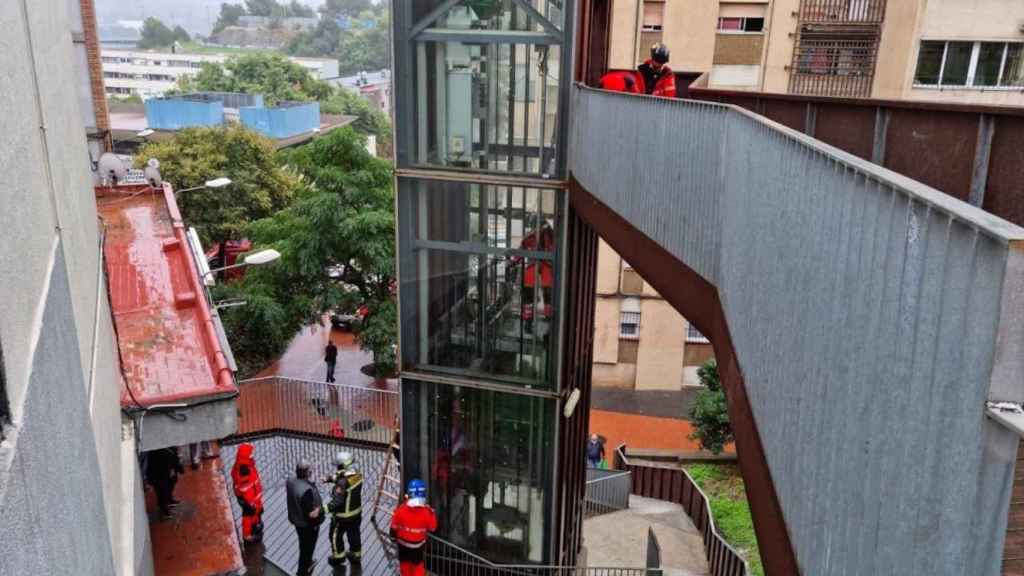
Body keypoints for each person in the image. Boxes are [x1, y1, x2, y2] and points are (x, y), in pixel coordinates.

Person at [322, 452, 363, 566]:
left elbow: (337, 502)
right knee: (354, 534)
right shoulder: (358, 475)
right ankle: (356, 555)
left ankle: (338, 557)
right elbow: (345, 478)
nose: (337, 467)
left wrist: (322, 510)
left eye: (338, 465)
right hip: (357, 512)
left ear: (343, 466)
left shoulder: (342, 482)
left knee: (335, 535)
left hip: (343, 516)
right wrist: (330, 478)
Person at [390, 480, 438, 576]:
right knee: (417, 567)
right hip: (418, 547)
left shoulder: (400, 510)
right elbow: (433, 528)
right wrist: (432, 514)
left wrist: (393, 538)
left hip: (402, 546)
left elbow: (393, 528)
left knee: (404, 566)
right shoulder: (427, 512)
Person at [287, 460, 324, 576]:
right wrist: (317, 523)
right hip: (306, 525)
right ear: (307, 473)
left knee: (303, 544)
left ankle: (306, 564)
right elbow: (311, 514)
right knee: (307, 547)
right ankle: (303, 570)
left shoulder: (291, 480)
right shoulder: (306, 491)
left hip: (296, 519)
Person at [231, 443, 264, 543]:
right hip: (249, 499)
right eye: (251, 453)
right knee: (248, 516)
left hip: (252, 497)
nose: (252, 454)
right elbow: (246, 490)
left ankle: (255, 524)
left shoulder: (246, 464)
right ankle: (247, 536)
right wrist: (251, 504)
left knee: (254, 513)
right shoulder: (244, 470)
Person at [146, 447, 184, 518]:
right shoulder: (157, 451)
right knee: (161, 490)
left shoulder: (172, 448)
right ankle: (164, 509)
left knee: (172, 482)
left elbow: (174, 455)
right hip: (158, 470)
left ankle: (169, 499)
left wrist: (177, 467)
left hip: (168, 465)